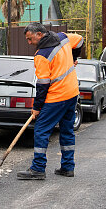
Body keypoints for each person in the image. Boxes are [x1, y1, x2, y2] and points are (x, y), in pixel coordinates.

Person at [17, 23, 83, 180]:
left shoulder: (41, 55)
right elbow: (80, 40)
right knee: (67, 130)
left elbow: (42, 84)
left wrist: (37, 107)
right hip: (72, 93)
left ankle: (38, 169)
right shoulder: (63, 37)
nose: (29, 43)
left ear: (39, 34)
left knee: (41, 130)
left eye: (30, 39)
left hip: (57, 97)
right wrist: (74, 57)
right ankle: (68, 167)